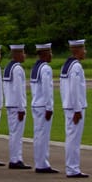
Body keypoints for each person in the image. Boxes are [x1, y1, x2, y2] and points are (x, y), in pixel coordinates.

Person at [60, 39, 89, 178]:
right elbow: (74, 89)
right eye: (83, 49)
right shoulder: (76, 66)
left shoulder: (67, 65)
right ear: (77, 50)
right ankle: (72, 168)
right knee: (74, 139)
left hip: (69, 105)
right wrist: (77, 109)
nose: (85, 52)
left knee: (72, 137)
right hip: (75, 107)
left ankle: (72, 166)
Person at [30, 43, 57, 174]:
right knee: (43, 136)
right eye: (50, 52)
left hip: (36, 103)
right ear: (45, 54)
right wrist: (49, 107)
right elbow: (47, 89)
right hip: (42, 105)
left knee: (38, 135)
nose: (52, 55)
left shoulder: (36, 67)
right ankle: (42, 164)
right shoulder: (45, 68)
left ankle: (40, 161)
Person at [3, 44, 31, 169]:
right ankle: (15, 159)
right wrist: (21, 108)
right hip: (16, 105)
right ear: (18, 54)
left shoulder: (8, 67)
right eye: (23, 53)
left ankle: (15, 158)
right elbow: (18, 89)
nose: (25, 55)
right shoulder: (18, 68)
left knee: (14, 133)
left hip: (10, 103)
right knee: (17, 134)